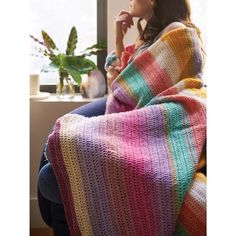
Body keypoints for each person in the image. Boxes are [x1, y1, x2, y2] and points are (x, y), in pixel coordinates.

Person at [37, 0, 205, 235]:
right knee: (55, 144)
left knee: (51, 175)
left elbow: (142, 89)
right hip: (126, 108)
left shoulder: (177, 33)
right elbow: (124, 83)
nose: (130, 0)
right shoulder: (149, 37)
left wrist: (122, 90)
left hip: (149, 116)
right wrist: (118, 37)